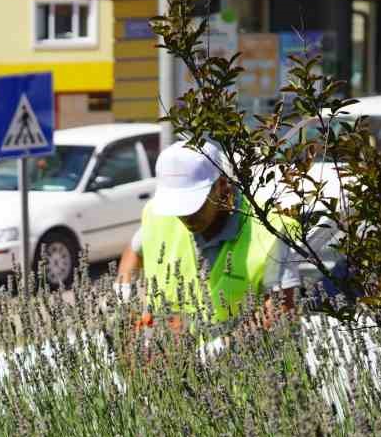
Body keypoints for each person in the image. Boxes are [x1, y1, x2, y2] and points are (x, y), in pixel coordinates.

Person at [115, 139, 301, 334]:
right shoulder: (158, 214)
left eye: (194, 204)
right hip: (171, 358)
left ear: (221, 185)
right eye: (177, 207)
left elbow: (282, 308)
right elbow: (134, 250)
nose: (186, 216)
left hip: (240, 360)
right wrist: (126, 300)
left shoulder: (271, 229)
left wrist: (221, 347)